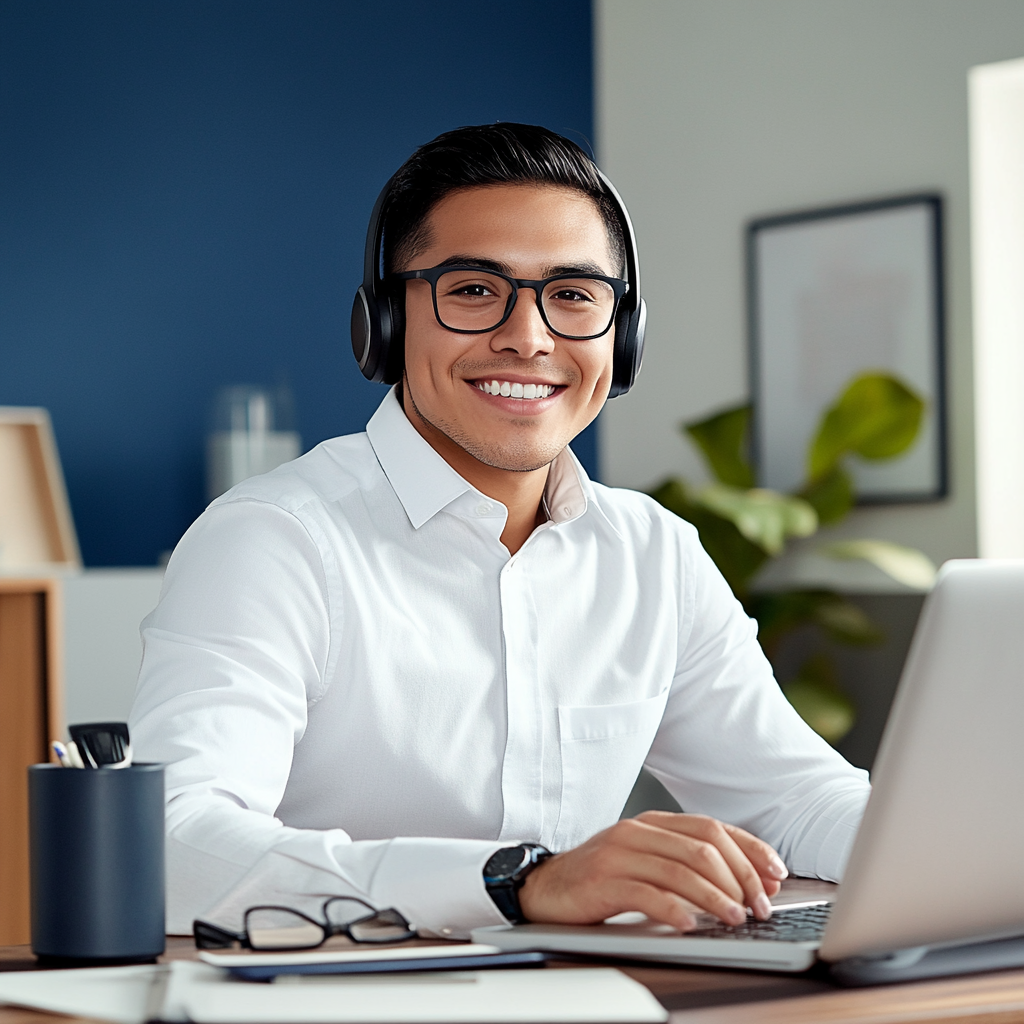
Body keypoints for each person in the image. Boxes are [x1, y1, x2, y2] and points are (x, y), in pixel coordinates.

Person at [130, 123, 870, 939]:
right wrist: (519, 885)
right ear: (383, 323)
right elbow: (174, 844)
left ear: (622, 339)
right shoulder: (273, 541)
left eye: (574, 295)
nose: (530, 337)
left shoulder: (654, 554)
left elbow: (794, 796)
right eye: (475, 290)